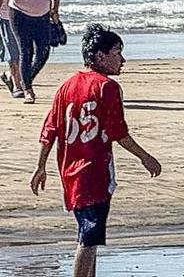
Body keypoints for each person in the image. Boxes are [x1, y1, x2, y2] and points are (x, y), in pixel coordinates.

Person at [31, 25, 162, 277]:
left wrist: (40, 166)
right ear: (100, 56)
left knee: (89, 233)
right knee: (89, 239)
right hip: (94, 172)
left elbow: (50, 129)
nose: (122, 60)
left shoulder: (66, 86)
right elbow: (118, 132)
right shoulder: (107, 87)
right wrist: (145, 157)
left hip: (69, 173)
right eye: (117, 53)